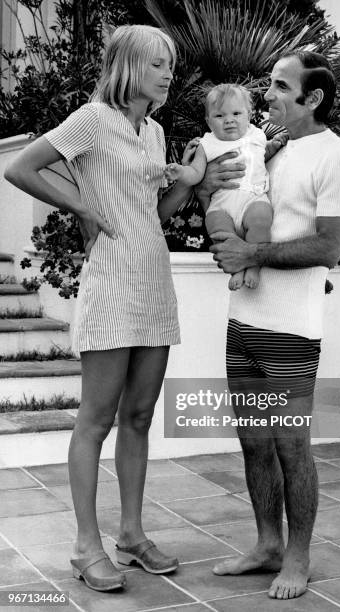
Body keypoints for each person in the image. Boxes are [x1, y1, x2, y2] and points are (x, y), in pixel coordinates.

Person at [4, 25, 193, 592]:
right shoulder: (92, 118)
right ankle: (86, 546)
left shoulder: (155, 131)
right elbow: (19, 168)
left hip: (154, 282)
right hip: (111, 282)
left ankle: (131, 536)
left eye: (170, 65)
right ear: (130, 64)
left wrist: (192, 183)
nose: (167, 74)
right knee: (97, 419)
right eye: (159, 64)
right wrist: (81, 207)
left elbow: (154, 211)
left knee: (139, 417)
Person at [197, 51, 340, 600]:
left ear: (313, 98)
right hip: (243, 320)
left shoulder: (335, 157)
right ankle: (267, 544)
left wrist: (253, 254)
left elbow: (330, 247)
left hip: (292, 329)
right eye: (269, 85)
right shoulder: (269, 146)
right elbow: (227, 196)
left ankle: (298, 554)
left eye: (281, 87)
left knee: (292, 445)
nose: (267, 95)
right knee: (252, 442)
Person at [165, 83, 286, 290]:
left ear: (249, 115)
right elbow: (195, 173)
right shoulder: (207, 144)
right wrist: (180, 171)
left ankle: (254, 266)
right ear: (208, 121)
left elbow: (260, 156)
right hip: (221, 205)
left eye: (236, 113)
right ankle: (237, 269)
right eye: (219, 116)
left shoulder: (256, 135)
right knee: (218, 230)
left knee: (261, 222)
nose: (229, 120)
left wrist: (273, 146)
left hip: (253, 198)